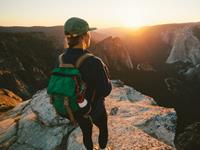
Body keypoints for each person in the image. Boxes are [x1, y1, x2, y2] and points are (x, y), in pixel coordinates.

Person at [60, 17, 112, 150]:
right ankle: (102, 148)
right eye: (88, 33)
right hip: (95, 109)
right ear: (84, 37)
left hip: (75, 109)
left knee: (86, 133)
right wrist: (109, 82)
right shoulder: (94, 62)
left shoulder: (61, 58)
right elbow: (104, 91)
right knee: (103, 130)